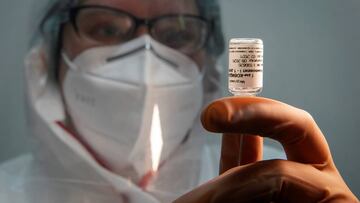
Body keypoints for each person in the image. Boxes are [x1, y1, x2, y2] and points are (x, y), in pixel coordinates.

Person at [0, 0, 357, 203]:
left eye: (177, 34)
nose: (145, 56)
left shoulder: (274, 185)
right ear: (46, 58)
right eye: (106, 29)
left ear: (210, 70)